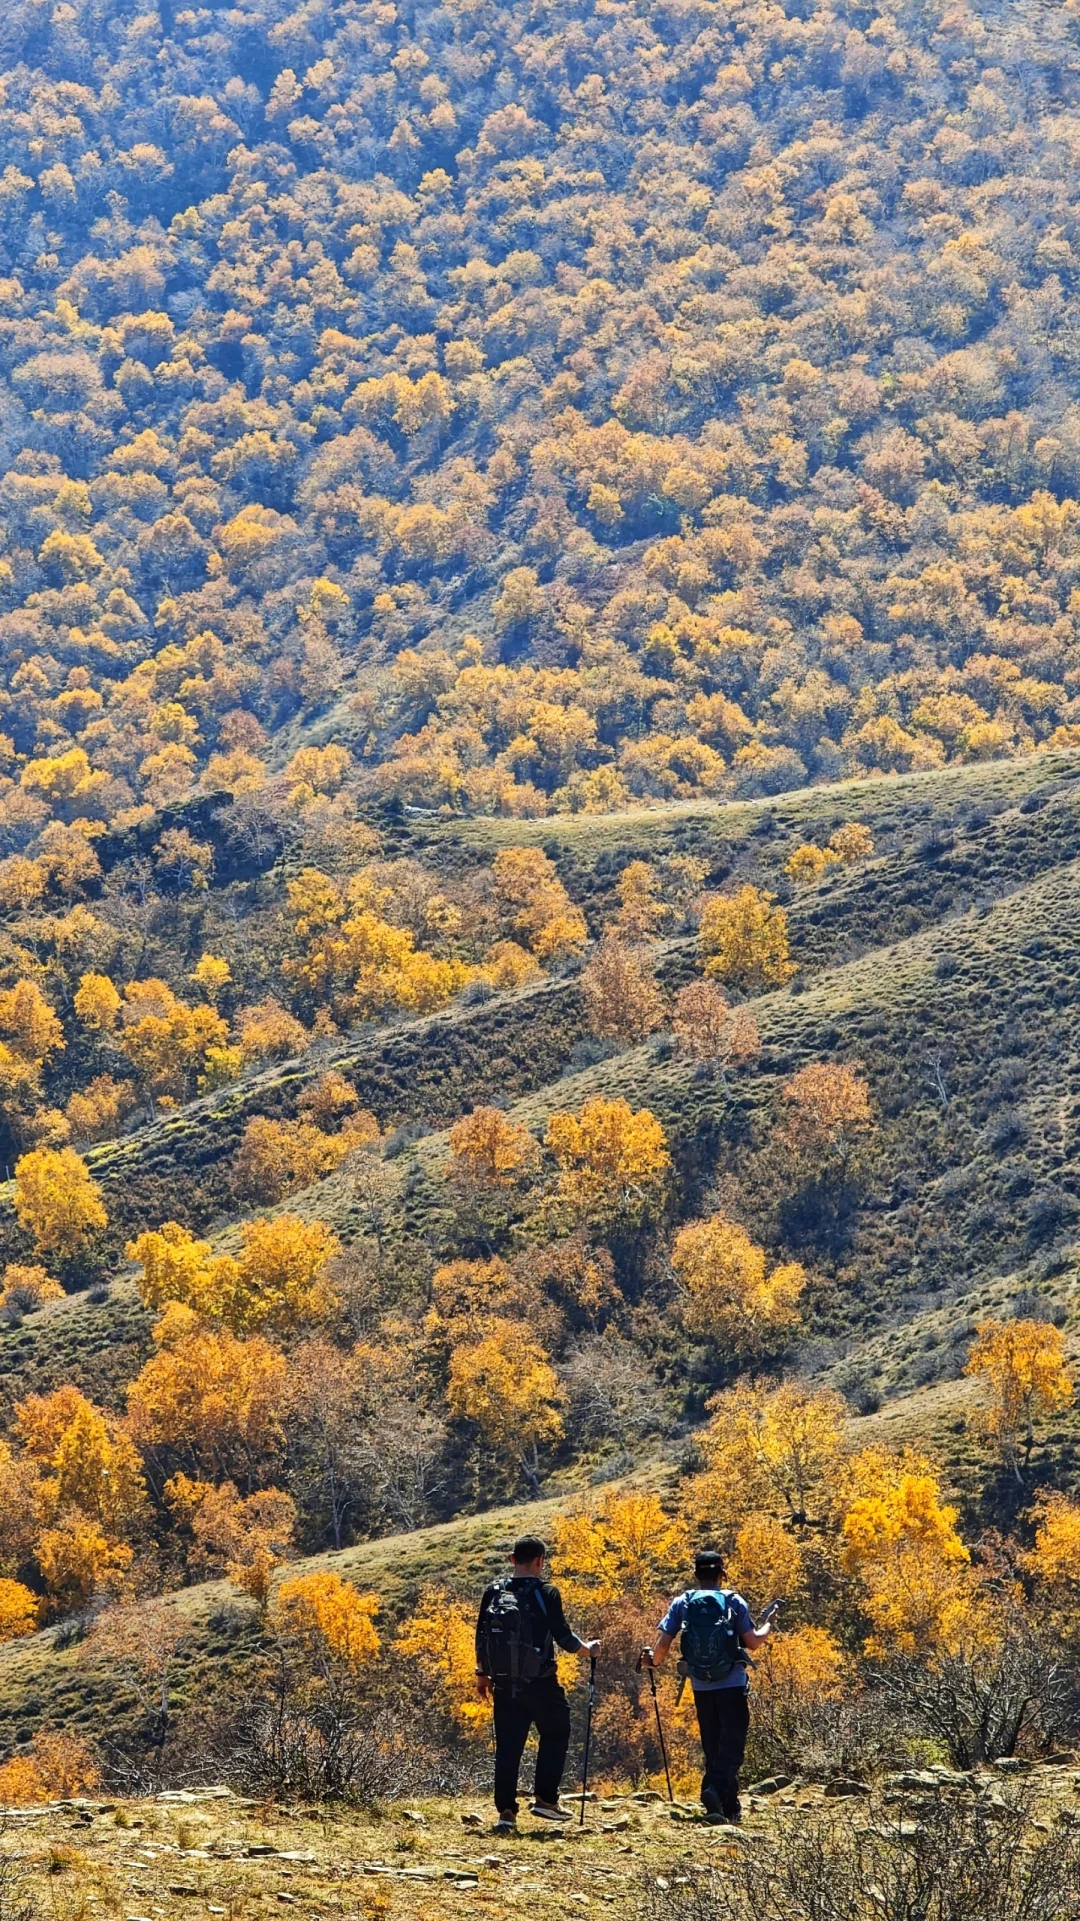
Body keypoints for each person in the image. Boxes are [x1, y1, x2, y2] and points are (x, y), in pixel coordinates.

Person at [641, 1548, 777, 1824]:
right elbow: (752, 1642)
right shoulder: (733, 1600)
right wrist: (768, 1626)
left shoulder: (683, 1602)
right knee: (733, 1745)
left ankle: (727, 1808)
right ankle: (712, 1789)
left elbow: (663, 1645)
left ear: (696, 1575)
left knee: (713, 1745)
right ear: (722, 1574)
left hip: (701, 1685)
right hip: (732, 1682)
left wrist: (651, 1662)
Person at [476, 1533, 600, 1833]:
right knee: (557, 1731)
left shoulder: (493, 1591)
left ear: (512, 1560)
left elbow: (481, 1636)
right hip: (541, 1682)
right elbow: (564, 1638)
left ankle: (506, 1813)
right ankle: (545, 1799)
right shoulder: (547, 1593)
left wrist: (482, 1674)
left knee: (508, 1747)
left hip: (504, 1683)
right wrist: (589, 1650)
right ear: (540, 1561)